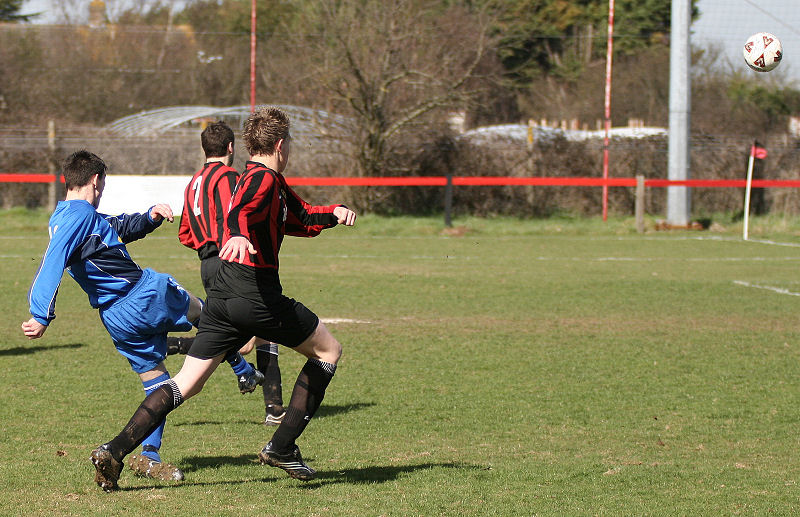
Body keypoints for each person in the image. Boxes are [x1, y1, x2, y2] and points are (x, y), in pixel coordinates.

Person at [91, 106, 356, 492]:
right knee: (328, 351)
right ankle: (282, 446)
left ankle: (113, 451)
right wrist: (235, 232)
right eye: (291, 143)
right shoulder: (260, 179)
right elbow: (240, 207)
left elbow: (301, 216)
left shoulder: (272, 184)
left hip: (224, 297)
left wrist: (333, 212)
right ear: (282, 145)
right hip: (255, 292)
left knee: (187, 382)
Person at [21, 150, 264, 485]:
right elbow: (53, 261)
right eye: (103, 184)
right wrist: (40, 314)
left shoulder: (67, 215)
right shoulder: (78, 217)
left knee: (159, 384)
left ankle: (148, 453)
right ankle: (242, 370)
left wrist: (149, 217)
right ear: (96, 180)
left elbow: (115, 227)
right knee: (210, 315)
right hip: (143, 295)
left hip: (115, 317)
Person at [174, 121, 284, 425]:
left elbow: (185, 233)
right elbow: (235, 218)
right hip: (230, 260)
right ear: (231, 148)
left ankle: (271, 403)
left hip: (206, 262)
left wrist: (205, 244)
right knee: (258, 328)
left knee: (237, 328)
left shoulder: (193, 181)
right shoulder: (229, 177)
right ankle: (274, 409)